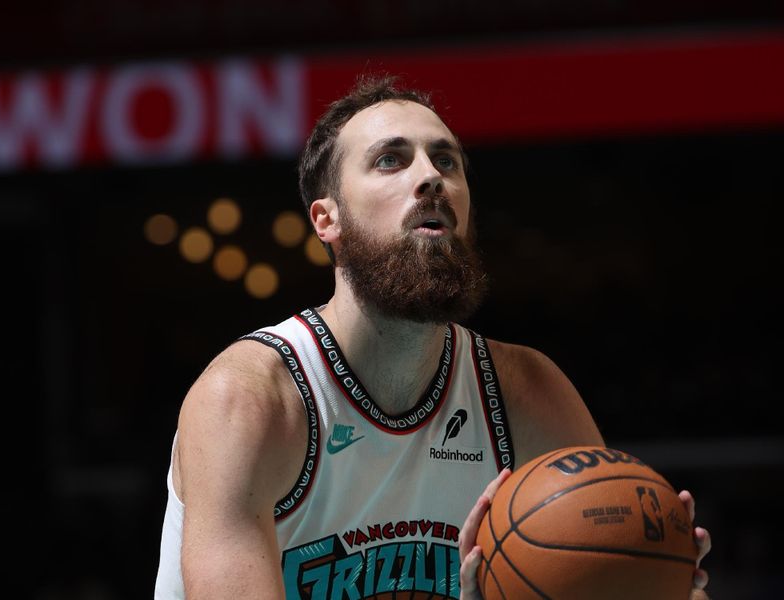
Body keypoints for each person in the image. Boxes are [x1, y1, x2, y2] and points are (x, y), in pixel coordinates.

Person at [154, 75, 711, 599]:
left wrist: (654, 576)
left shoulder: (525, 393)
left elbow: (606, 570)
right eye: (390, 160)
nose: (431, 177)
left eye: (445, 160)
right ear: (328, 220)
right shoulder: (248, 400)